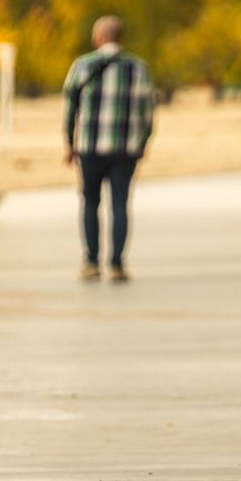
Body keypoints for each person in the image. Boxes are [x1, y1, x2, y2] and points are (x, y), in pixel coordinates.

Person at [63, 15, 155, 282]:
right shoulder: (138, 68)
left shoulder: (82, 66)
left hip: (90, 148)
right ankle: (117, 265)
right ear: (120, 37)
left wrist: (70, 143)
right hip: (125, 149)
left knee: (90, 203)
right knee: (120, 205)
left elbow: (70, 108)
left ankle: (91, 262)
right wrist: (143, 142)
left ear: (99, 37)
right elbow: (148, 112)